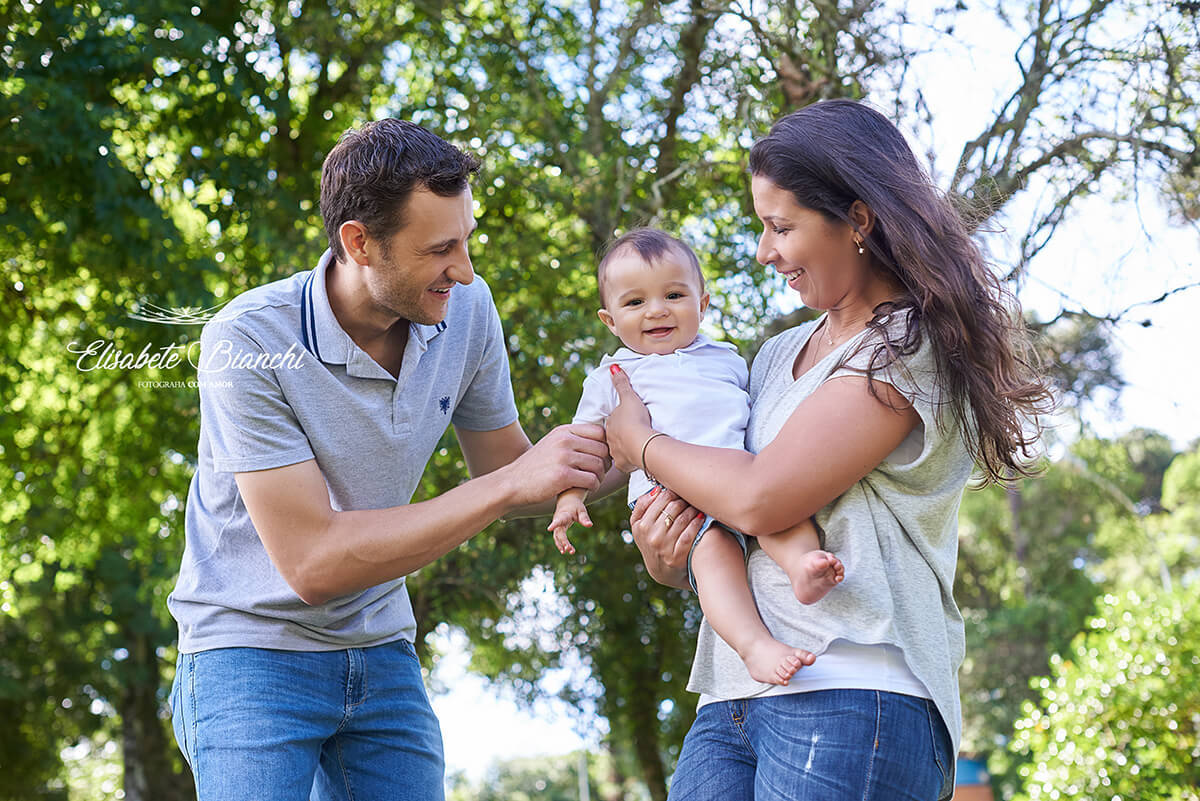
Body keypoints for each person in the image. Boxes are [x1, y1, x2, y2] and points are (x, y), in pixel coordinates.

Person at [604, 99, 1053, 801]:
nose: (764, 252)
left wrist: (640, 443)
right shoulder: (774, 353)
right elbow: (722, 511)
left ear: (858, 220)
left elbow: (760, 497)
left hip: (856, 688)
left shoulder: (906, 346)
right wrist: (667, 552)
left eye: (781, 227)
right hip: (729, 697)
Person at [166, 119, 609, 801]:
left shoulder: (466, 309)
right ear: (358, 242)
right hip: (249, 652)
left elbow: (518, 473)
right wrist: (508, 485)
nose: (464, 270)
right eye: (440, 249)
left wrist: (650, 447)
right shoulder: (248, 339)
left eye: (466, 240)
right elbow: (313, 564)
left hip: (381, 648)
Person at [548, 228, 845, 685]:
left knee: (781, 514)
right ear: (610, 321)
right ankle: (754, 646)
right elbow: (586, 446)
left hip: (739, 478)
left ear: (702, 303)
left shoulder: (728, 359)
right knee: (715, 556)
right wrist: (571, 498)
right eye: (635, 302)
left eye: (673, 295)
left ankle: (803, 566)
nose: (657, 310)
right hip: (672, 495)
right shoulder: (613, 376)